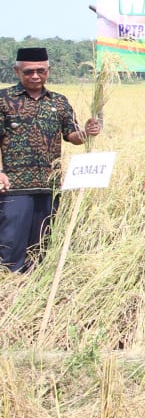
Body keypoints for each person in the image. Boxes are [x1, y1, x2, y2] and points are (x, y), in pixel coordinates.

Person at [0, 47, 101, 271]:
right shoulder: (3, 100)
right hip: (14, 188)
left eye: (40, 71)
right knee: (10, 244)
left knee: (40, 247)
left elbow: (72, 136)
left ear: (48, 70)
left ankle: (32, 292)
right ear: (17, 71)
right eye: (28, 72)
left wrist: (87, 132)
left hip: (50, 186)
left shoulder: (59, 102)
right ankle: (7, 290)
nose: (35, 76)